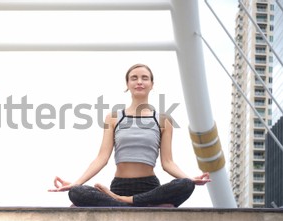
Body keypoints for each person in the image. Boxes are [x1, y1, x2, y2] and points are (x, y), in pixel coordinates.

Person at [48, 63, 211, 207]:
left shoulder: (163, 120)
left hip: (150, 187)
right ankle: (134, 203)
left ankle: (124, 202)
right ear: (127, 84)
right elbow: (101, 158)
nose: (139, 81)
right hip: (120, 186)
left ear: (152, 84)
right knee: (77, 192)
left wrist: (189, 179)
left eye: (144, 78)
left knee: (185, 185)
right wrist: (76, 183)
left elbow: (167, 162)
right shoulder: (113, 117)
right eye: (134, 78)